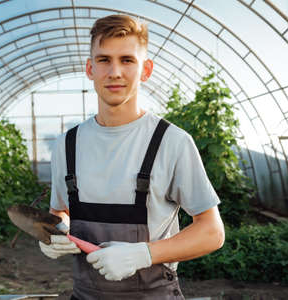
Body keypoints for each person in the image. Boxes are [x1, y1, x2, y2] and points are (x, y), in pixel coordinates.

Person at [39, 14, 225, 300]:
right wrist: (55, 233)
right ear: (90, 69)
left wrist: (144, 253)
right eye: (104, 60)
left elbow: (212, 232)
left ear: (146, 70)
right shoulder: (67, 144)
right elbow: (60, 211)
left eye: (127, 60)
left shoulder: (171, 142)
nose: (115, 72)